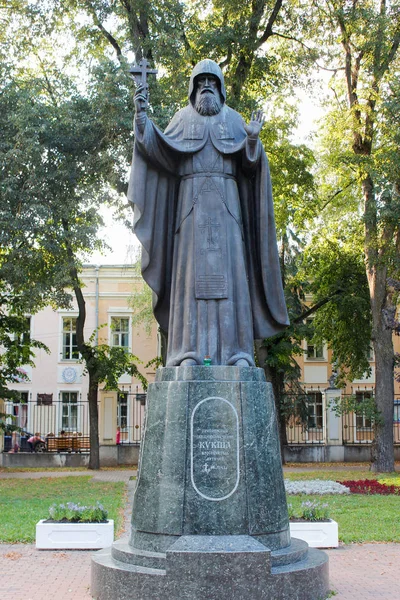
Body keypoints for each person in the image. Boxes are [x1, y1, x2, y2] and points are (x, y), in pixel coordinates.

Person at [129, 59, 289, 367]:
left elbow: (250, 167)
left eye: (212, 82)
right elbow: (156, 148)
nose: (206, 87)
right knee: (189, 282)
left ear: (221, 89)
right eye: (201, 82)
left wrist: (252, 140)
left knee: (232, 283)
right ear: (192, 89)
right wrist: (141, 116)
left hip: (229, 214)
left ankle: (237, 353)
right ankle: (186, 353)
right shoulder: (181, 118)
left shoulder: (234, 120)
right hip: (189, 215)